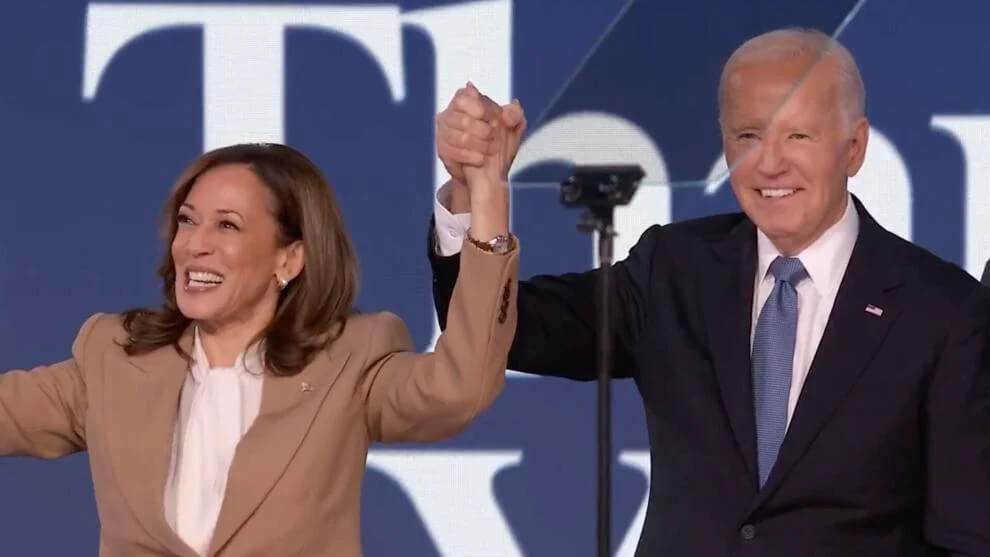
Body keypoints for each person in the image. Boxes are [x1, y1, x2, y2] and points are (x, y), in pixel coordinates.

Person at [429, 28, 990, 556]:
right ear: (725, 145)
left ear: (854, 147)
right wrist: (472, 193)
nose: (770, 163)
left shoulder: (941, 312)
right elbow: (503, 332)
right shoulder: (675, 270)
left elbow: (969, 536)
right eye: (749, 135)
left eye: (798, 134)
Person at [0, 142, 518, 556]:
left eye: (226, 225)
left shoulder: (351, 362)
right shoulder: (114, 357)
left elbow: (460, 388)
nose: (193, 244)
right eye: (187, 219)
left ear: (290, 260)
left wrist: (486, 198)